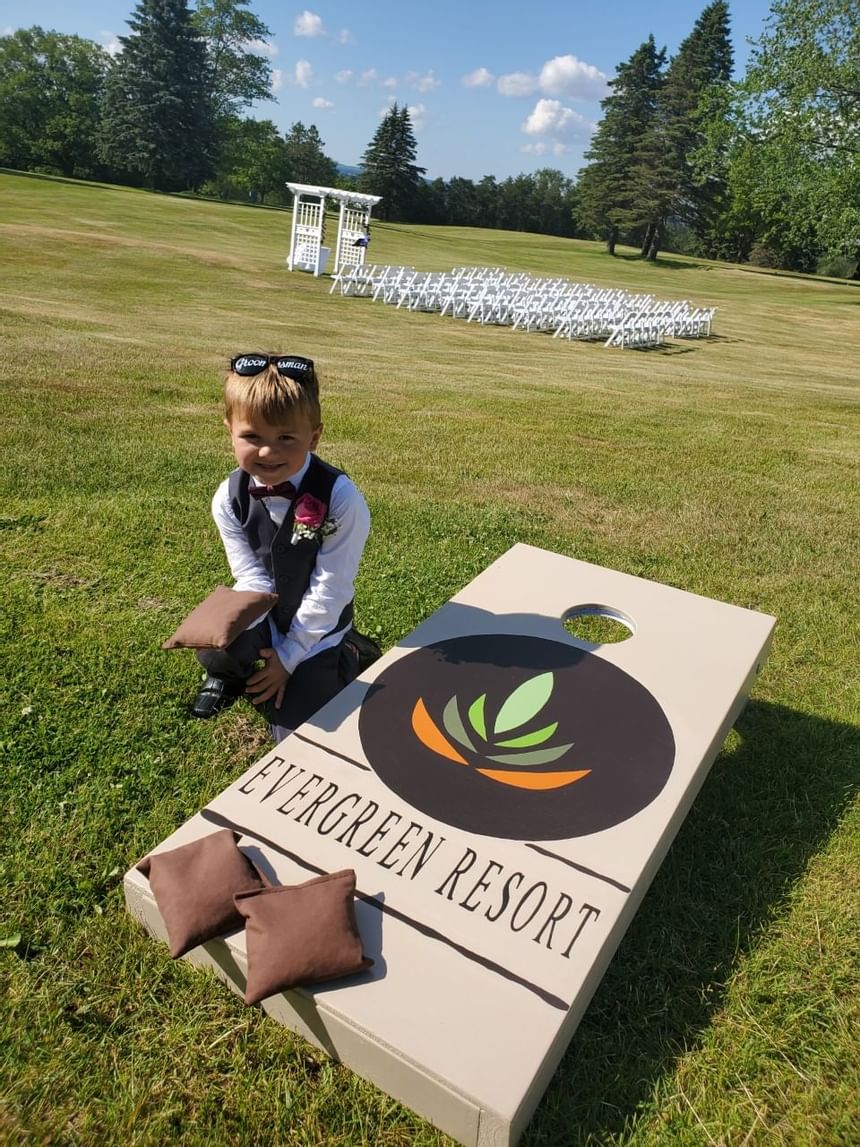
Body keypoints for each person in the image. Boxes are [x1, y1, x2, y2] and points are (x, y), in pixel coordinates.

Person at [190, 352, 371, 742]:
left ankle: (348, 653)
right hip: (266, 605)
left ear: (314, 437)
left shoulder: (341, 497)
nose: (268, 452)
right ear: (229, 430)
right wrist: (263, 631)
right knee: (213, 641)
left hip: (318, 621)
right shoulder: (228, 496)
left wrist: (288, 658)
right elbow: (249, 574)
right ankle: (224, 674)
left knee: (300, 727)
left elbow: (332, 586)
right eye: (252, 437)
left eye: (286, 438)